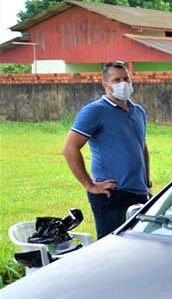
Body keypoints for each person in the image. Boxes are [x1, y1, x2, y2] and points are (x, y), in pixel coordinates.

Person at [62, 61, 150, 238]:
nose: (123, 84)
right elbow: (69, 148)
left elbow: (141, 146)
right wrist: (90, 185)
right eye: (117, 80)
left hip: (139, 193)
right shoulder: (94, 111)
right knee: (112, 249)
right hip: (111, 194)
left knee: (140, 248)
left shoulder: (138, 111)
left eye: (126, 78)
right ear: (105, 84)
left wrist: (146, 181)